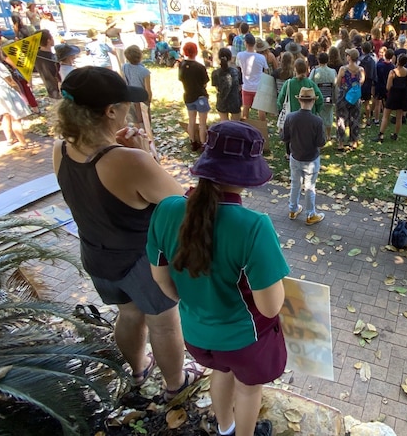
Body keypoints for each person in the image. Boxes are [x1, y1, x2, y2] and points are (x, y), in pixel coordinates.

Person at [54, 67, 191, 401]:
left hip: (97, 255)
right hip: (139, 260)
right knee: (164, 323)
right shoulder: (130, 161)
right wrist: (147, 157)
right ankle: (176, 385)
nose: (130, 109)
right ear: (110, 112)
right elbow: (183, 203)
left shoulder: (61, 149)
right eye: (125, 103)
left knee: (128, 314)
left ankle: (138, 370)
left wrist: (120, 148)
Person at [147, 122, 286, 436]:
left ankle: (225, 428)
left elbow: (163, 281)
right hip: (243, 340)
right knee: (249, 389)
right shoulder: (254, 227)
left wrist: (197, 301)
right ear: (247, 176)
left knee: (220, 371)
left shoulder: (166, 209)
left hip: (197, 336)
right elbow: (270, 308)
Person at [281, 87, 327, 225]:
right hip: (311, 159)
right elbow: (321, 143)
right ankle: (310, 214)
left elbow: (284, 138)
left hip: (295, 156)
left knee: (295, 184)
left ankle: (293, 209)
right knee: (309, 187)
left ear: (300, 100)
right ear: (313, 101)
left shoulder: (290, 117)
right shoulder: (317, 121)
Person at [0, 41, 31, 147]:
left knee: (6, 116)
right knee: (16, 118)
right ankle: (23, 143)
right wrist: (19, 91)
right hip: (7, 93)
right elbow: (11, 82)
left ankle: (9, 139)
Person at [179, 42, 210, 152]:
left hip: (188, 95)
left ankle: (192, 141)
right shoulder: (200, 67)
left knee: (191, 120)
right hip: (200, 96)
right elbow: (205, 82)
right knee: (202, 123)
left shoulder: (181, 65)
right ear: (196, 52)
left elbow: (181, 79)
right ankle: (203, 143)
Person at [377, 53, 407, 142]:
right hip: (403, 95)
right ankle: (395, 134)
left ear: (397, 61)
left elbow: (388, 86)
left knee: (386, 115)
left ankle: (381, 134)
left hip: (393, 95)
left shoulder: (392, 72)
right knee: (399, 116)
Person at [335, 48, 365, 151]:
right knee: (355, 118)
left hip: (343, 95)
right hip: (355, 97)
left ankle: (340, 142)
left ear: (349, 57)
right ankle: (354, 141)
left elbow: (338, 82)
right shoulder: (361, 70)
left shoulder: (343, 69)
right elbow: (361, 82)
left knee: (341, 119)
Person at [237, 33, 268, 121]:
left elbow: (238, 66)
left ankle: (245, 127)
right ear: (254, 44)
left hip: (246, 86)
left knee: (245, 108)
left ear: (245, 43)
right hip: (258, 86)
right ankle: (263, 128)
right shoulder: (261, 57)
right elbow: (266, 70)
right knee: (261, 109)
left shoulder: (240, 55)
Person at [122, 45, 152, 130]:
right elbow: (148, 88)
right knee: (145, 118)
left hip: (130, 95)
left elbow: (124, 80)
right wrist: (149, 99)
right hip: (142, 97)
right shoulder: (145, 72)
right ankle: (146, 133)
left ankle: (138, 131)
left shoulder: (124, 67)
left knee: (134, 118)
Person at [311, 50, 337, 140]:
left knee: (318, 116)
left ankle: (320, 135)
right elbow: (335, 85)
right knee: (329, 115)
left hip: (318, 98)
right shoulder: (333, 71)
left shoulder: (314, 72)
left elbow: (310, 83)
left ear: (318, 60)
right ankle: (328, 135)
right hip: (329, 97)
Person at [212, 47, 242, 122]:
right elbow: (239, 87)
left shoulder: (215, 73)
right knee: (236, 125)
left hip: (222, 101)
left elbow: (217, 88)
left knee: (224, 124)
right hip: (235, 100)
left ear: (218, 58)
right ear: (231, 58)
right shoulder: (236, 72)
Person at [35, 30, 62, 100]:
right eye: (52, 38)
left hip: (49, 88)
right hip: (57, 88)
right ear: (48, 40)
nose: (53, 39)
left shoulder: (36, 56)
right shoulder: (51, 58)